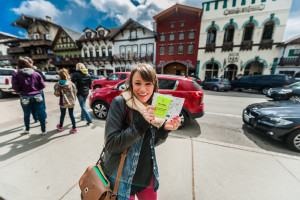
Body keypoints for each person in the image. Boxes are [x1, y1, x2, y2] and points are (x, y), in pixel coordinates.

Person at [100, 63, 181, 200]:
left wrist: (165, 129)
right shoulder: (120, 103)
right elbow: (111, 145)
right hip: (122, 178)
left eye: (148, 83)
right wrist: (141, 123)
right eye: (138, 83)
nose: (143, 89)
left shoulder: (155, 105)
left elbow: (151, 143)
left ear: (154, 85)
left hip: (147, 175)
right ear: (131, 83)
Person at [12, 58, 47, 135]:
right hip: (37, 95)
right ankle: (43, 130)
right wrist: (38, 90)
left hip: (24, 96)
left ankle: (27, 129)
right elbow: (43, 85)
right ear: (28, 64)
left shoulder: (16, 74)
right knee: (41, 113)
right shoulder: (36, 73)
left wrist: (19, 91)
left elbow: (15, 87)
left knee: (26, 114)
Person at [23, 57, 47, 123]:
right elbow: (44, 79)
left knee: (32, 106)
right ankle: (43, 119)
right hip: (38, 91)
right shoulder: (37, 71)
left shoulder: (21, 72)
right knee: (41, 106)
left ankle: (35, 118)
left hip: (27, 93)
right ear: (32, 63)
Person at [54, 68, 78, 133]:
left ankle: (60, 126)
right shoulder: (71, 83)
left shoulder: (57, 84)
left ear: (60, 75)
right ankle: (74, 128)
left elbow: (56, 94)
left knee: (62, 114)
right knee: (71, 114)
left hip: (63, 101)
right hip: (71, 101)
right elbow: (75, 91)